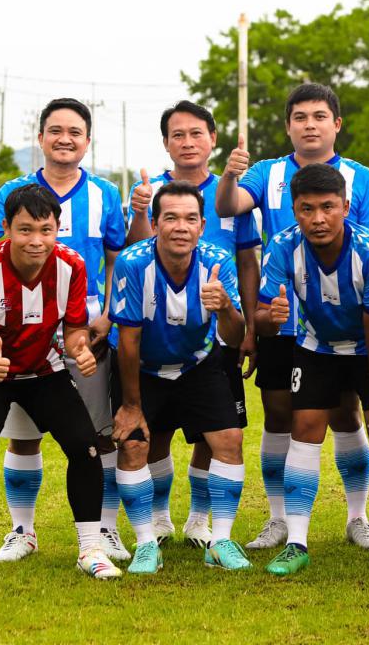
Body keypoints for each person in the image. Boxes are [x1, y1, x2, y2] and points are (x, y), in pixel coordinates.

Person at [0, 98, 129, 562]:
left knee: (95, 436)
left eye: (75, 131)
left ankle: (103, 532)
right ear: (41, 137)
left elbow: (119, 259)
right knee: (22, 435)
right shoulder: (15, 191)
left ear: (88, 140)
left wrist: (106, 318)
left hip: (85, 330)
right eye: (56, 130)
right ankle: (22, 530)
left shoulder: (105, 193)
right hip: (16, 339)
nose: (65, 139)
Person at [215, 82, 369, 551]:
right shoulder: (267, 172)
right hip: (280, 318)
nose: (310, 125)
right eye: (300, 117)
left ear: (336, 124)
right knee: (278, 414)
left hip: (340, 324)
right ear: (288, 126)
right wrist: (229, 174)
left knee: (345, 411)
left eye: (319, 116)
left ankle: (358, 517)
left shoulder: (361, 177)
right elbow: (228, 205)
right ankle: (277, 519)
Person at [254, 164, 369, 578]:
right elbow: (261, 316)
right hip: (316, 347)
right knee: (305, 427)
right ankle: (297, 543)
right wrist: (271, 317)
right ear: (294, 210)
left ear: (345, 206)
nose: (318, 218)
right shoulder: (281, 247)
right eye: (307, 209)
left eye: (328, 207)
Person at [124, 100, 262, 549]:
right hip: (157, 330)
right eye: (177, 135)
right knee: (157, 430)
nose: (187, 142)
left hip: (214, 327)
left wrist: (248, 326)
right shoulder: (149, 192)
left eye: (196, 133)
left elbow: (246, 260)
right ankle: (159, 519)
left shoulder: (233, 193)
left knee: (214, 429)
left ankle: (201, 521)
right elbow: (135, 253)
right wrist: (140, 213)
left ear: (212, 139)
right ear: (166, 143)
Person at [108, 181, 249, 574]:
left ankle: (220, 541)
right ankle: (146, 544)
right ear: (154, 224)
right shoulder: (133, 263)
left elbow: (234, 335)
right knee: (134, 445)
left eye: (190, 219)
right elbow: (129, 340)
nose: (181, 227)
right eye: (170, 218)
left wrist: (225, 307)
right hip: (143, 367)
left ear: (202, 225)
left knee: (229, 440)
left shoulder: (217, 261)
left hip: (197, 363)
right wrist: (131, 406)